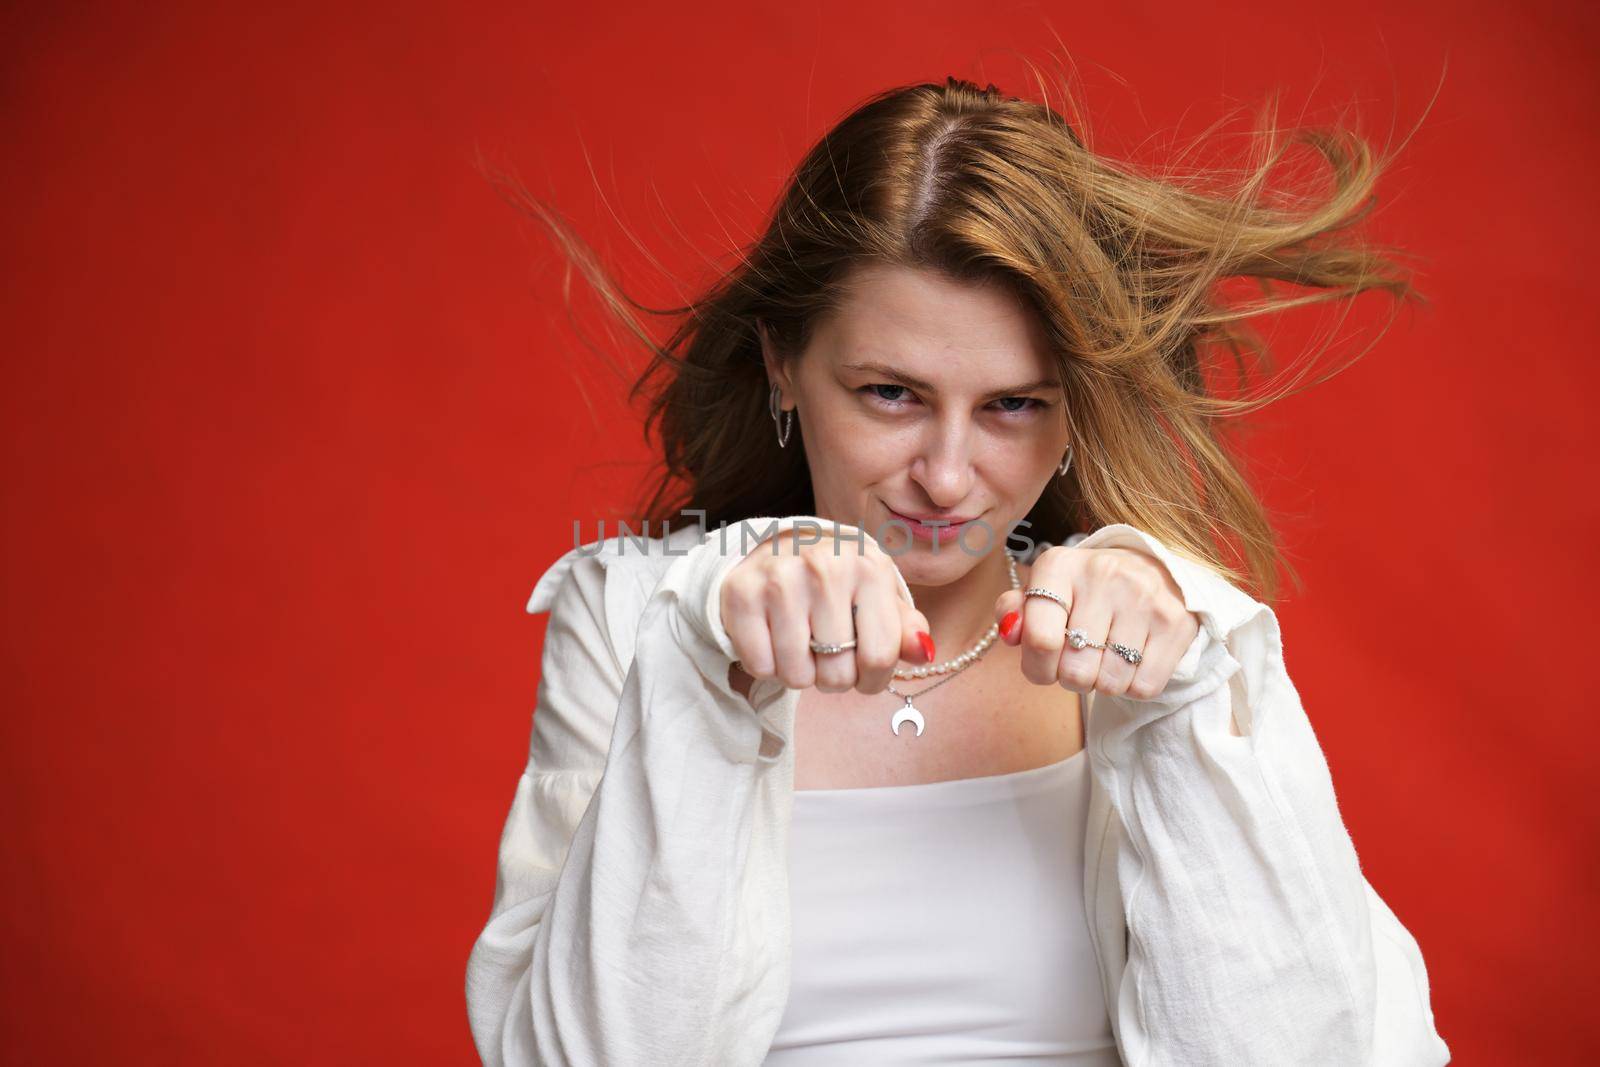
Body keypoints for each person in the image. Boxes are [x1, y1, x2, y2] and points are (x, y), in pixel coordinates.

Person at [464, 76, 1450, 1065]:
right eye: (890, 393)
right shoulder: (641, 616)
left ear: (1075, 407)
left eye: (1012, 405)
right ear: (780, 363)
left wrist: (1179, 700)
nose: (944, 477)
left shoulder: (1166, 628)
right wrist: (711, 665)